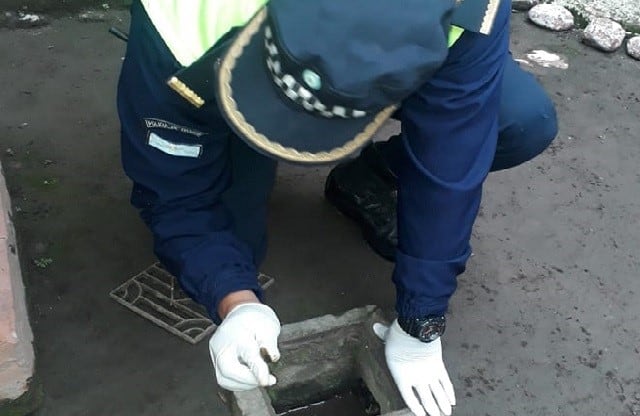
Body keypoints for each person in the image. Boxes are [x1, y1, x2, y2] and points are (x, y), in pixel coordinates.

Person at [116, 1, 557, 415]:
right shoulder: (183, 21)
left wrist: (422, 317)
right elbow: (176, 194)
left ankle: (367, 178)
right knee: (231, 248)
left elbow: (452, 159)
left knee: (517, 120)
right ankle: (243, 129)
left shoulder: (466, 10)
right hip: (227, 52)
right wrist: (234, 300)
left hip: (398, 59)